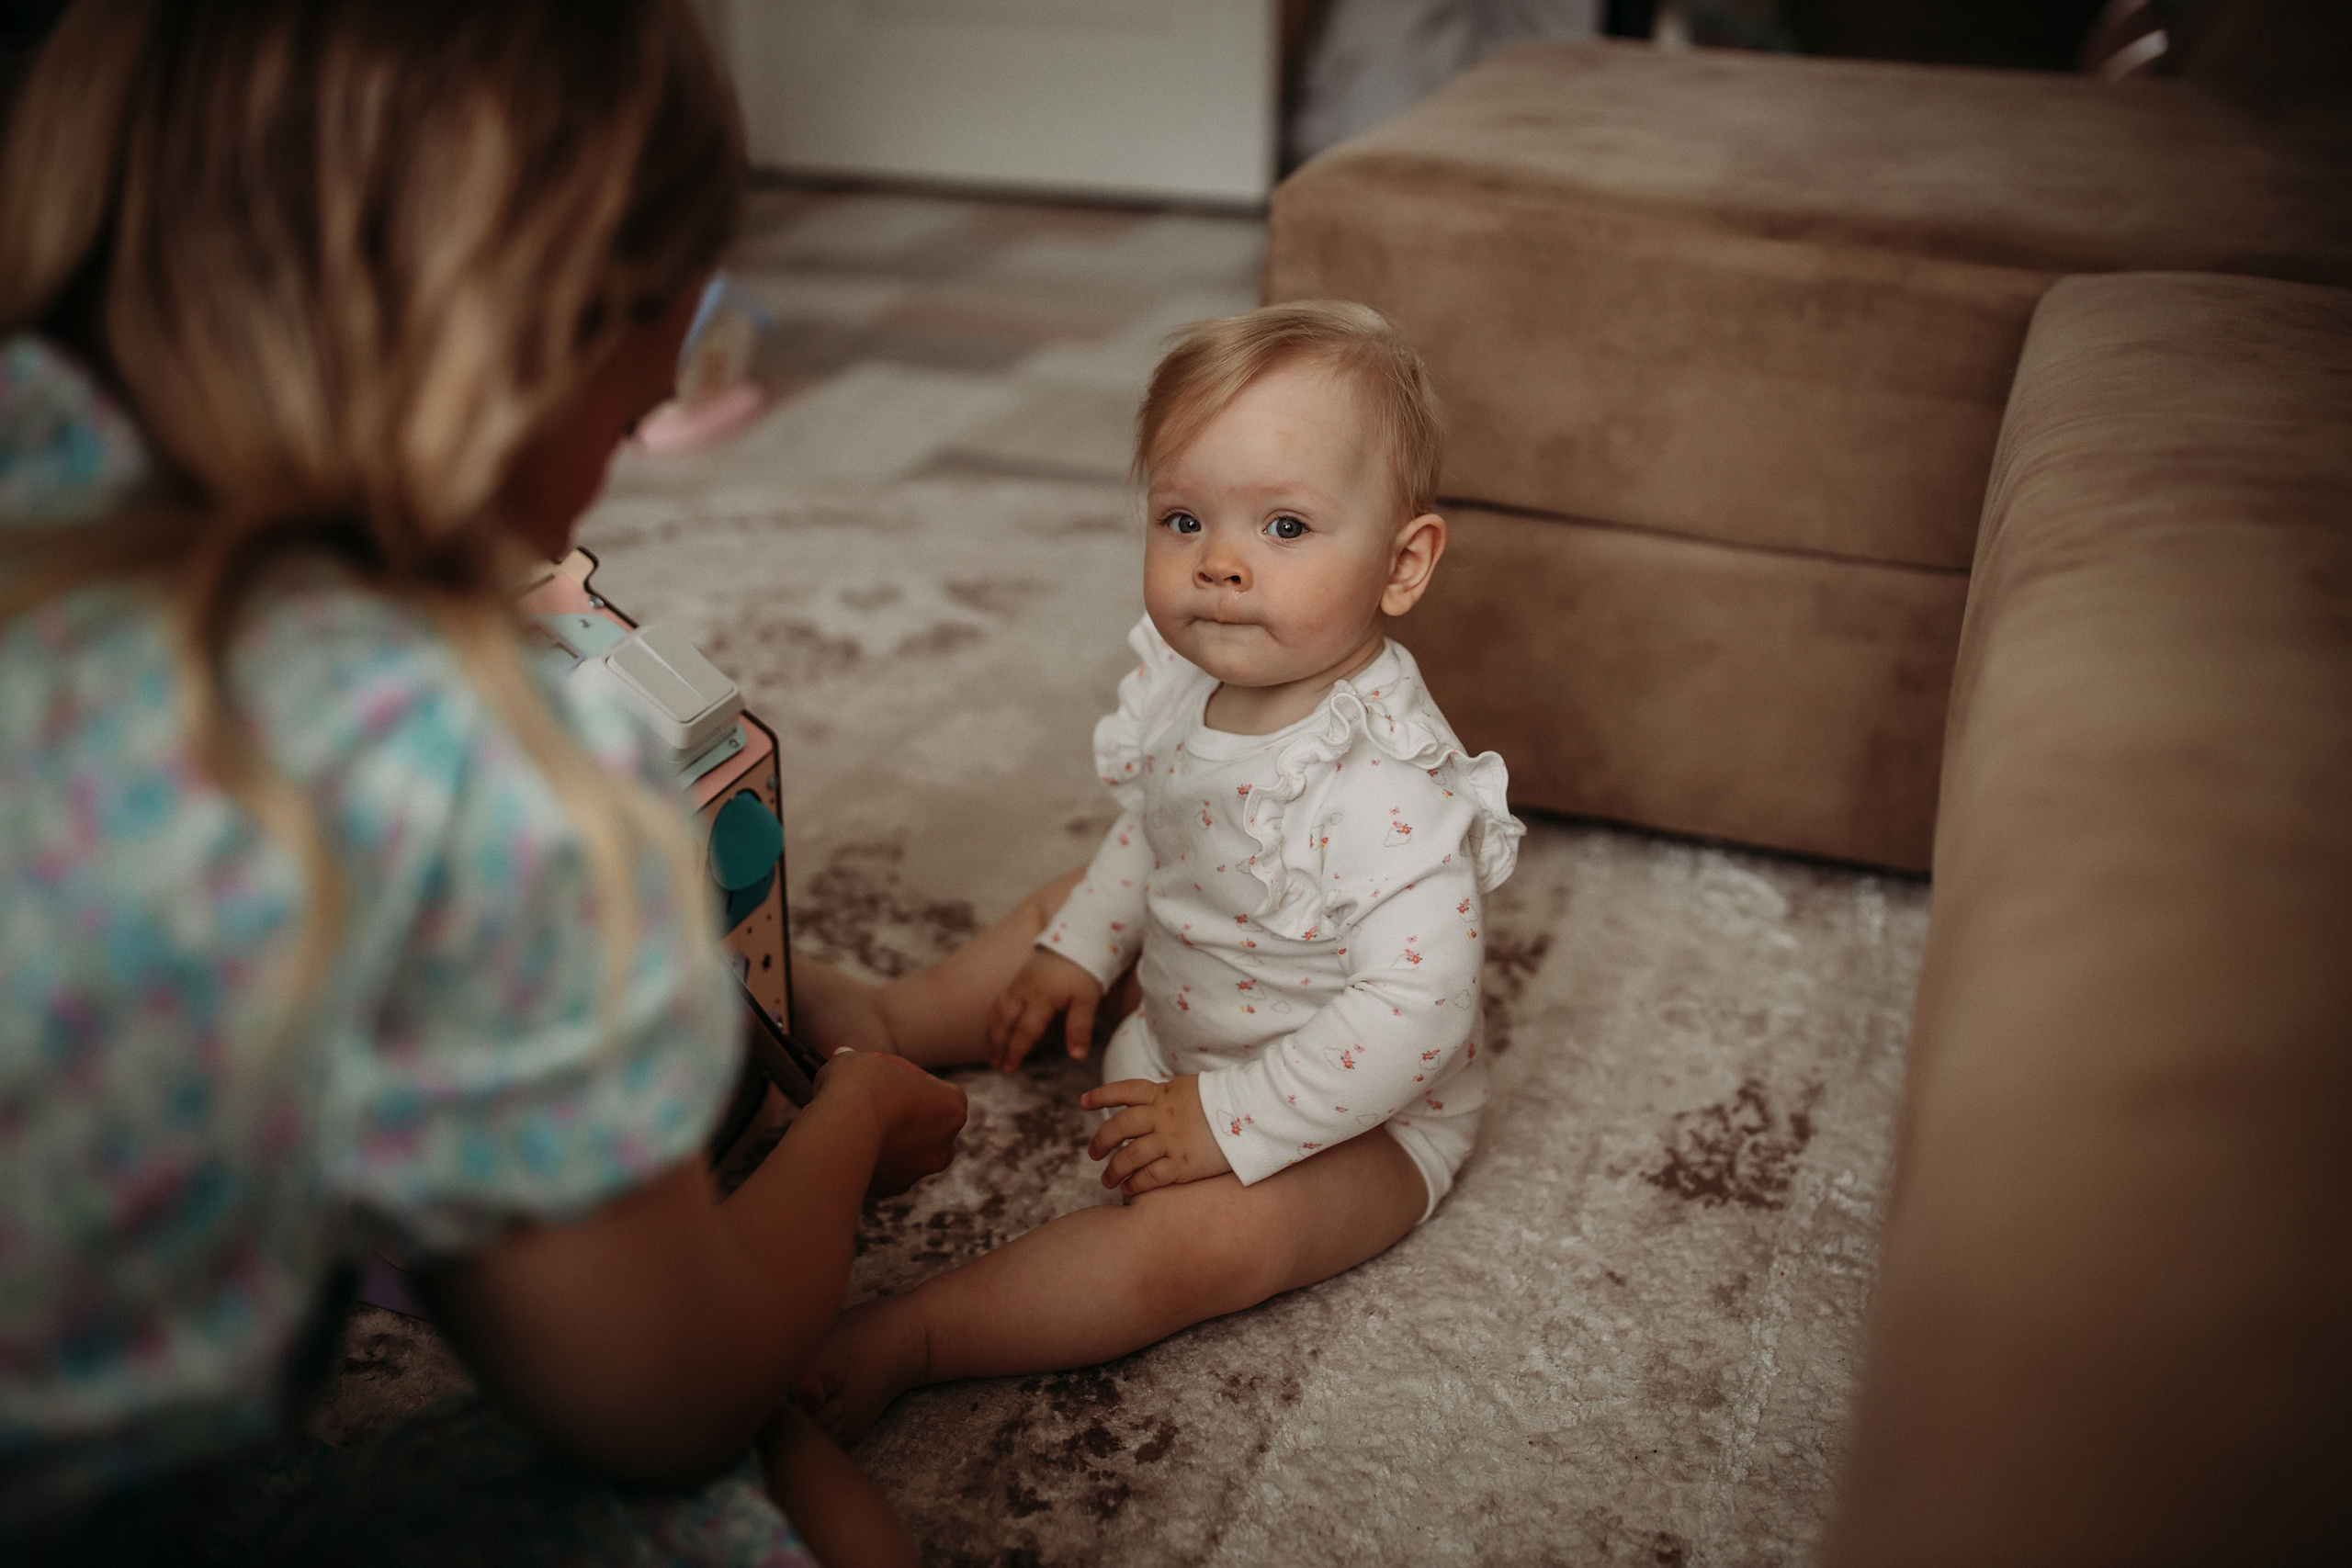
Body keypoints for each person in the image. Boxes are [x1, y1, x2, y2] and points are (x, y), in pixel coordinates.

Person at [0, 3, 967, 1563]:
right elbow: (664, 1396)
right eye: (632, 411)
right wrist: (844, 1126)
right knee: (789, 1500)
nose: (606, 473)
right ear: (534, 338)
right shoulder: (455, 769)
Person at [792, 301, 1524, 1442]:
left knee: (1210, 1244)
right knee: (1065, 908)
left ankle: (915, 1338)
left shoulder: (1388, 786)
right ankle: (891, 1014)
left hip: (1361, 1119)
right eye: (1183, 518)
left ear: (1402, 563)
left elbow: (1416, 1013)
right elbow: (1158, 832)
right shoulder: (1190, 690)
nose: (1220, 565)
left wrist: (1229, 1120)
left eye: (1284, 528)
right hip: (1200, 998)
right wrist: (1081, 948)